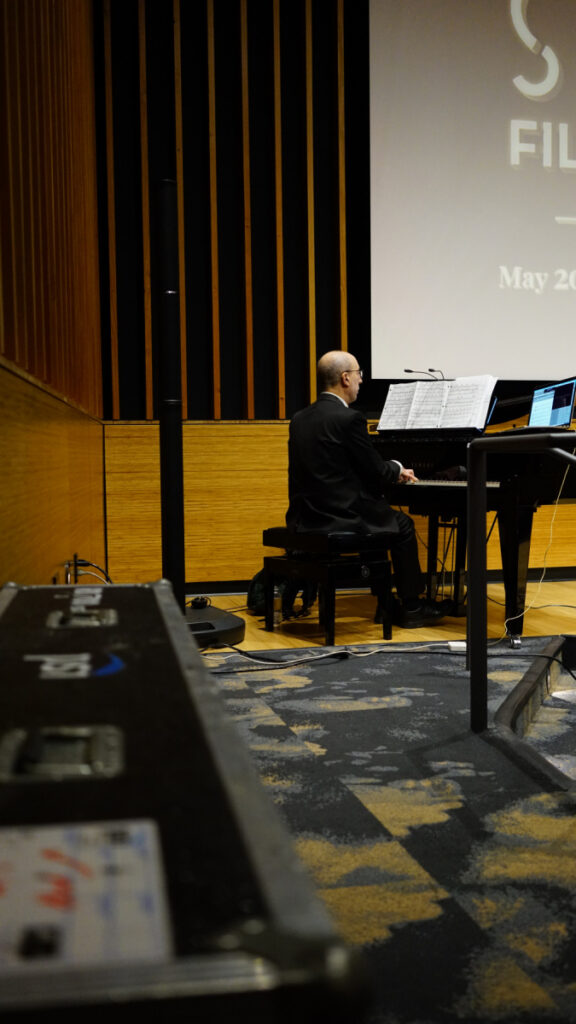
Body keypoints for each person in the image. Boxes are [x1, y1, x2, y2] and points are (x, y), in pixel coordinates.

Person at [286, 350, 449, 628]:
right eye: (359, 374)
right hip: (341, 517)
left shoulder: (300, 418)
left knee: (378, 517)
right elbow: (376, 471)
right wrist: (397, 467)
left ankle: (385, 604)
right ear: (345, 378)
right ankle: (411, 606)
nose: (361, 380)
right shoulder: (349, 419)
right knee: (401, 525)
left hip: (307, 517)